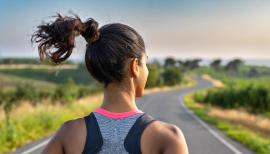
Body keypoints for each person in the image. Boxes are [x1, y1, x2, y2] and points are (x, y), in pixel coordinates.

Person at [31, 13, 188, 154]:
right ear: (135, 66)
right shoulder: (167, 137)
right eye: (145, 63)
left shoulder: (69, 133)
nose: (147, 70)